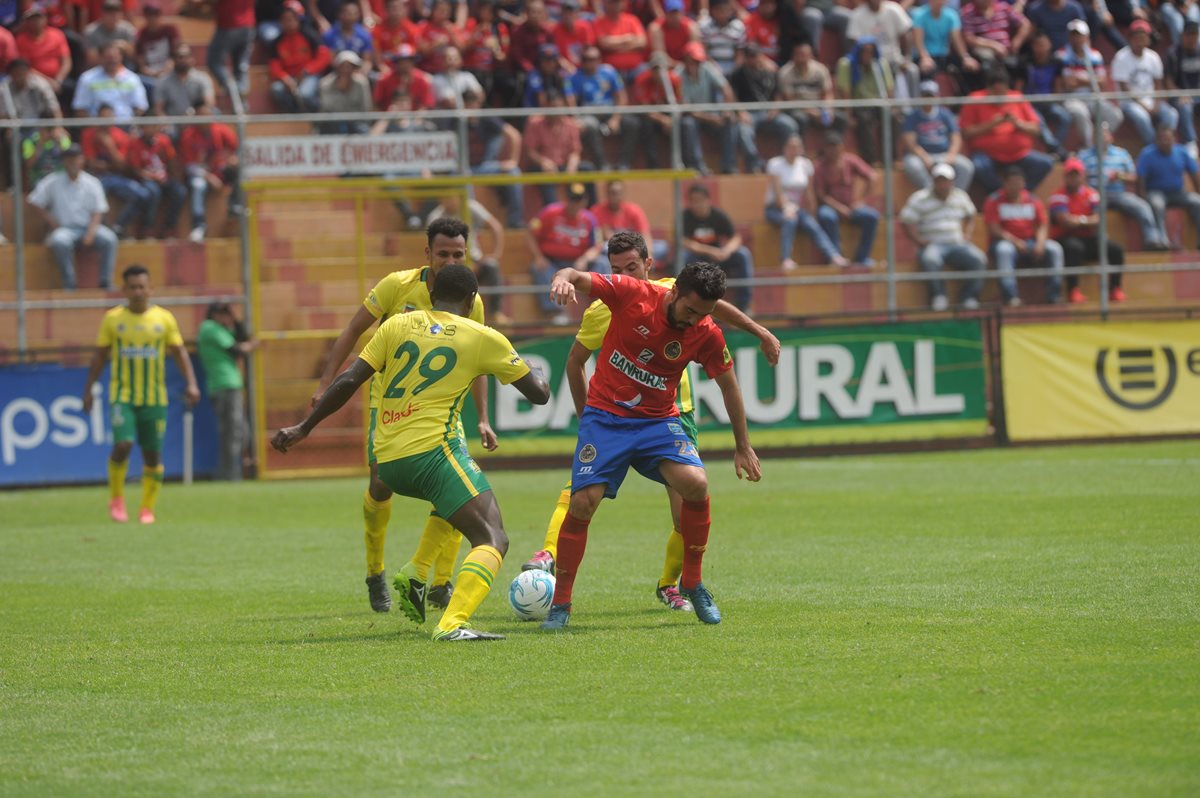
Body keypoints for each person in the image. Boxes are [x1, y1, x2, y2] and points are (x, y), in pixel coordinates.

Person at [277, 264, 551, 641]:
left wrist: (304, 427)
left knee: (456, 498)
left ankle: (418, 572)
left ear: (433, 292)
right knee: (493, 538)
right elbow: (538, 394)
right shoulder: (483, 336)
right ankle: (453, 622)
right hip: (432, 455)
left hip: (387, 461)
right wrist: (530, 369)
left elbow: (349, 380)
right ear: (472, 301)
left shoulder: (396, 325)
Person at [521, 232, 780, 614]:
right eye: (690, 311)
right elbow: (576, 284)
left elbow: (729, 384)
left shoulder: (703, 327)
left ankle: (688, 582)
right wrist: (562, 278)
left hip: (660, 419)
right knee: (582, 500)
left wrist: (743, 445)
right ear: (674, 294)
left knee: (695, 486)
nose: (694, 320)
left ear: (651, 266)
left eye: (702, 314)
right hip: (607, 417)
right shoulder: (626, 295)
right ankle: (560, 604)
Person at [310, 218, 499, 615]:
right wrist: (325, 382)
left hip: (444, 408)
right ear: (426, 252)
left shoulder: (470, 298)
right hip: (391, 405)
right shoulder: (396, 286)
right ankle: (375, 572)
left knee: (455, 487)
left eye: (458, 254)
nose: (450, 260)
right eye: (443, 253)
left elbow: (480, 359)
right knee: (380, 485)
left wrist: (482, 417)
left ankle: (440, 582)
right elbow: (352, 330)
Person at [82, 265, 200, 524]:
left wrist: (191, 383)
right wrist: (88, 388)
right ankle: (116, 498)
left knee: (152, 455)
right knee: (123, 444)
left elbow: (179, 353)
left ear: (150, 289)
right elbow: (99, 356)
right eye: (132, 287)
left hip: (154, 398)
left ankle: (147, 509)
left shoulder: (164, 319)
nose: (137, 292)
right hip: (122, 395)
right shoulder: (113, 319)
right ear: (124, 290)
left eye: (141, 286)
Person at [28, 144, 118, 290]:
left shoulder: (92, 183)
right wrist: (52, 223)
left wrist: (91, 232)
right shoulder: (53, 181)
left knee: (110, 239)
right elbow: (35, 201)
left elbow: (98, 211)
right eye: (69, 159)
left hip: (88, 227)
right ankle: (69, 285)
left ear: (82, 160)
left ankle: (105, 282)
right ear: (64, 161)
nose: (73, 162)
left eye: (76, 158)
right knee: (59, 241)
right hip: (65, 229)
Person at [899, 163, 988, 311]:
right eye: (938, 180)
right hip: (933, 244)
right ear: (933, 181)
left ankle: (968, 297)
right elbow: (906, 220)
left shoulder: (960, 196)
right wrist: (917, 240)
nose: (942, 184)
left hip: (957, 243)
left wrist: (967, 233)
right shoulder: (920, 198)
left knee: (979, 259)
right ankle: (939, 296)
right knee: (930, 259)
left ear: (952, 182)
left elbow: (971, 215)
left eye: (945, 180)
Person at [960, 68, 1054, 194]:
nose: (999, 96)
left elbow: (1036, 129)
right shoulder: (975, 99)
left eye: (1002, 91)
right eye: (995, 92)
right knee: (978, 167)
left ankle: (1021, 194)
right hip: (987, 155)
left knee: (1045, 163)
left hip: (1019, 154)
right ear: (988, 88)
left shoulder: (1017, 98)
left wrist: (1018, 124)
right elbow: (966, 133)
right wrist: (992, 124)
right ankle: (1000, 196)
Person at [983, 166, 1064, 305]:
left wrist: (1040, 243)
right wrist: (1015, 242)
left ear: (1023, 183)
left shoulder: (1033, 200)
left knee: (1054, 248)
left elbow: (1042, 225)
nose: (1015, 186)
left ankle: (1054, 295)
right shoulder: (994, 200)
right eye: (1012, 183)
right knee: (1004, 250)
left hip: (1030, 242)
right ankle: (1010, 296)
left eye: (1018, 183)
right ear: (1005, 183)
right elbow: (994, 229)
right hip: (1005, 242)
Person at [1049, 157, 1126, 304]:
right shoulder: (1058, 196)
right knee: (1075, 248)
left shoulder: (1091, 194)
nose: (1074, 178)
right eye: (1070, 175)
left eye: (1076, 174)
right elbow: (1064, 222)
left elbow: (1098, 219)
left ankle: (1115, 289)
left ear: (1083, 175)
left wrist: (1078, 220)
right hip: (1065, 237)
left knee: (1116, 249)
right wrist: (1086, 220)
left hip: (1087, 237)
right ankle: (1073, 290)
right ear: (1065, 177)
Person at [1078, 124, 1166, 251]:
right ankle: (1101, 242)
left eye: (1104, 135)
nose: (1102, 138)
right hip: (1096, 195)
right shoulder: (1084, 156)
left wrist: (1120, 176)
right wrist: (1089, 192)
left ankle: (1152, 240)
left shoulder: (1121, 154)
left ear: (1111, 137)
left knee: (1142, 207)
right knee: (1095, 209)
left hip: (1118, 194)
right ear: (1093, 138)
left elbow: (1134, 177)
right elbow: (1081, 180)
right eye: (1098, 135)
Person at [766, 134, 845, 270]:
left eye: (797, 147)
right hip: (775, 208)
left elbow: (809, 192)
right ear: (785, 148)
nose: (793, 150)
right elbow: (778, 193)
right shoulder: (775, 164)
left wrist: (812, 212)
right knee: (790, 220)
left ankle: (833, 256)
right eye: (791, 147)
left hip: (797, 209)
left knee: (812, 225)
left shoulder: (805, 164)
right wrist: (786, 208)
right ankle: (785, 259)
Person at [528, 182, 604, 323]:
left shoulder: (590, 219)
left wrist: (585, 259)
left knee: (602, 263)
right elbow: (531, 234)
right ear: (566, 199)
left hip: (579, 263)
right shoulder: (550, 212)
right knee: (538, 268)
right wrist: (538, 257)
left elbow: (597, 246)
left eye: (579, 200)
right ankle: (555, 313)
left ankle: (602, 308)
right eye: (573, 200)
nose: (575, 204)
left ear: (585, 201)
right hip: (552, 262)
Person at [426, 194, 509, 324]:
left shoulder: (471, 207)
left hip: (475, 259)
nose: (449, 200)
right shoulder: (435, 217)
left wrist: (495, 254)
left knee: (492, 266)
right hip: (448, 266)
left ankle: (495, 312)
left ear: (458, 197)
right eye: (445, 197)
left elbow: (495, 227)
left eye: (451, 196)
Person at [678, 40, 757, 176]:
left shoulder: (707, 68)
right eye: (692, 60)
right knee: (687, 124)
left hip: (710, 114)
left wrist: (726, 111)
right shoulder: (678, 74)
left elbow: (726, 90)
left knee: (730, 121)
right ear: (686, 59)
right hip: (692, 117)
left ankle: (729, 165)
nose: (695, 64)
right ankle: (697, 166)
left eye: (698, 61)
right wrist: (711, 119)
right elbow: (685, 109)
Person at [198, 302, 255, 481]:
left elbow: (241, 336)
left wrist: (236, 320)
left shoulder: (221, 330)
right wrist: (253, 345)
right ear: (214, 314)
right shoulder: (209, 327)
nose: (226, 318)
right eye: (223, 314)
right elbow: (237, 348)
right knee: (232, 434)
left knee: (240, 432)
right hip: (224, 386)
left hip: (230, 386)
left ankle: (229, 473)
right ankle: (230, 476)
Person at [682, 182, 756, 309]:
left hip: (718, 258)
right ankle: (687, 302)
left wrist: (726, 251)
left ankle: (744, 304)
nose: (697, 204)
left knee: (743, 254)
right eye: (693, 201)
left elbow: (735, 237)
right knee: (683, 257)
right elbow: (683, 242)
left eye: (700, 200)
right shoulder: (685, 217)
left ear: (708, 200)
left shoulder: (718, 215)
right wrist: (710, 251)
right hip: (697, 260)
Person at [814, 131, 879, 268]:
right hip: (831, 207)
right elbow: (821, 195)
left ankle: (862, 257)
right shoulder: (820, 166)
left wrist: (861, 200)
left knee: (872, 217)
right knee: (826, 216)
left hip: (851, 207)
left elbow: (872, 177)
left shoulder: (850, 160)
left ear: (841, 147)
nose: (833, 150)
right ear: (825, 149)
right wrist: (839, 208)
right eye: (829, 147)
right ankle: (836, 256)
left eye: (835, 146)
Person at [1055, 20, 1123, 150]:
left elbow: (1102, 82)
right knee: (1081, 113)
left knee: (1115, 115)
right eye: (1073, 35)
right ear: (1069, 37)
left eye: (1080, 35)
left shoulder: (1094, 55)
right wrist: (1091, 80)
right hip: (1071, 98)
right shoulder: (1061, 55)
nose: (1077, 39)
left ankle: (1099, 140)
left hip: (1092, 96)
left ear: (1086, 37)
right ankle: (1088, 147)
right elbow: (1068, 84)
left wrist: (1079, 80)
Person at [179, 102, 241, 243]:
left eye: (207, 115)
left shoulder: (220, 130)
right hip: (201, 174)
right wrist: (209, 177)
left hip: (220, 170)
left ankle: (234, 206)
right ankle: (199, 226)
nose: (204, 119)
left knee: (237, 169)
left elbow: (237, 149)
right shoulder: (188, 135)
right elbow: (189, 166)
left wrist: (234, 159)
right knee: (197, 185)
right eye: (201, 116)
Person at [570, 45, 636, 171]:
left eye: (592, 59)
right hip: (588, 113)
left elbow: (621, 97)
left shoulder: (609, 72)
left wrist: (616, 119)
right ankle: (602, 165)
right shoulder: (575, 77)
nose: (589, 63)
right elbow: (571, 102)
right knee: (590, 126)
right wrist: (575, 118)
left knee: (632, 123)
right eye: (585, 59)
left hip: (609, 110)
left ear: (599, 60)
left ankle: (624, 164)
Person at [901, 80, 975, 191]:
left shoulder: (945, 114)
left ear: (936, 96)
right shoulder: (912, 116)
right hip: (921, 156)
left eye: (930, 96)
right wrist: (924, 157)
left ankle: (954, 196)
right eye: (925, 96)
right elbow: (910, 143)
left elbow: (956, 137)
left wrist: (951, 155)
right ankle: (931, 194)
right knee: (913, 166)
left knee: (966, 167)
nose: (928, 99)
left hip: (943, 154)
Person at [522, 89, 592, 207]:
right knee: (546, 177)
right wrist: (543, 162)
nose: (557, 111)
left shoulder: (570, 124)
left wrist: (572, 166)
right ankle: (552, 211)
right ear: (546, 107)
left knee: (588, 169)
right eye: (553, 107)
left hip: (564, 166)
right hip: (542, 166)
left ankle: (589, 210)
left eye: (559, 107)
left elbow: (575, 151)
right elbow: (530, 151)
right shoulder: (535, 123)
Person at [1112, 20, 1175, 148]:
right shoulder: (1121, 57)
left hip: (1151, 100)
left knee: (1172, 114)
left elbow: (1158, 84)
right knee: (1142, 118)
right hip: (1129, 102)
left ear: (1148, 38)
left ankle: (1164, 143)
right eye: (1137, 36)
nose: (1140, 39)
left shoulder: (1153, 57)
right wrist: (1145, 106)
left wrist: (1156, 104)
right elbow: (1125, 89)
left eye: (1144, 36)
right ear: (1131, 38)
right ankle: (1152, 148)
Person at [1137, 125, 1200, 248]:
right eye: (1161, 138)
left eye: (1167, 138)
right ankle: (1162, 240)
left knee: (1197, 202)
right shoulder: (1147, 154)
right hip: (1156, 191)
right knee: (1157, 204)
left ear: (1173, 139)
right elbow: (1141, 178)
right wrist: (1142, 195)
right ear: (1157, 140)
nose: (1165, 141)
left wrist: (1198, 191)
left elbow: (1194, 173)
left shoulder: (1181, 152)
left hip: (1179, 192)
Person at [834, 37, 893, 164]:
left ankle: (889, 159)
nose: (868, 55)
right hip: (858, 104)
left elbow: (888, 89)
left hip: (877, 103)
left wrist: (890, 107)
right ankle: (870, 160)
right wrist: (848, 116)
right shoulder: (847, 64)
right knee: (864, 119)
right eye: (865, 51)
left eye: (871, 52)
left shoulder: (880, 64)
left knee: (892, 117)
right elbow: (846, 92)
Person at [126, 121, 187, 240]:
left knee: (180, 191)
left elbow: (172, 161)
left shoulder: (164, 141)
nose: (151, 129)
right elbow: (136, 169)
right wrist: (153, 177)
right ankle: (148, 229)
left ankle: (170, 228)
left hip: (163, 178)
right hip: (145, 179)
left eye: (154, 126)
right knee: (153, 192)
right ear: (142, 127)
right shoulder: (135, 143)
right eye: (148, 126)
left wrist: (175, 177)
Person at [845, 0, 919, 99]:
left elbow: (905, 35)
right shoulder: (857, 15)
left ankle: (912, 109)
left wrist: (906, 58)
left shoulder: (894, 9)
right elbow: (856, 44)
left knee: (912, 70)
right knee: (877, 70)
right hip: (871, 62)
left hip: (894, 59)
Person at [268, 0, 331, 113]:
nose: (289, 23)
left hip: (309, 75)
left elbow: (324, 57)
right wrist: (284, 78)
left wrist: (307, 71)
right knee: (276, 89)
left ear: (298, 20)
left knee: (305, 94)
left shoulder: (309, 35)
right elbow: (274, 65)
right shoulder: (277, 41)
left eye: (291, 19)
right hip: (289, 77)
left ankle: (319, 118)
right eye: (285, 20)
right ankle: (295, 115)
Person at [591, 180, 669, 265]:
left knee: (662, 247)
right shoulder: (597, 211)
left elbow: (645, 234)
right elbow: (600, 239)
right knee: (603, 251)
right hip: (612, 248)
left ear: (623, 194)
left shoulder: (634, 210)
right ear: (607, 194)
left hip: (634, 247)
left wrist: (648, 253)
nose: (614, 196)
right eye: (611, 193)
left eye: (617, 193)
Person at [776, 42, 841, 137]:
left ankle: (833, 148)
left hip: (818, 107)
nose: (802, 59)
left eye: (805, 55)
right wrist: (813, 113)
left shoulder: (821, 70)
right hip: (797, 109)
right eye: (799, 55)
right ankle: (800, 150)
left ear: (811, 56)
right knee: (800, 119)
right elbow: (791, 100)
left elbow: (827, 93)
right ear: (794, 56)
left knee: (840, 119)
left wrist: (827, 110)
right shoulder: (785, 73)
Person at [73, 41, 149, 119]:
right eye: (108, 57)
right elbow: (80, 108)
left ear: (121, 57)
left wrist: (131, 124)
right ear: (101, 57)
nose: (112, 61)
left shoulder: (132, 78)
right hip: (97, 126)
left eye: (115, 57)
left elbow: (141, 106)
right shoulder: (87, 78)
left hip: (125, 125)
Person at [960, 0, 1031, 81]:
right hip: (983, 50)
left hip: (1007, 50)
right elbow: (969, 38)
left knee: (1020, 65)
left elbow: (1025, 24)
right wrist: (993, 46)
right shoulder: (968, 12)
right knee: (987, 58)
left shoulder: (1003, 7)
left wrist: (1017, 41)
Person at [154, 44, 216, 120]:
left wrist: (195, 116)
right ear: (173, 59)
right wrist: (166, 124)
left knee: (215, 113)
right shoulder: (163, 81)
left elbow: (209, 104)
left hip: (197, 122)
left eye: (186, 57)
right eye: (180, 57)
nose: (183, 60)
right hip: (174, 124)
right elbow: (159, 109)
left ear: (192, 59)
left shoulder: (202, 78)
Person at [1166, 21, 1200, 155]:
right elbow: (1168, 81)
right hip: (1179, 95)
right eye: (1189, 35)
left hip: (1198, 95)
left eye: (1195, 35)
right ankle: (1190, 143)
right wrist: (1179, 94)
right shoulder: (1173, 53)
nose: (1192, 38)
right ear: (1183, 35)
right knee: (1185, 107)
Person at [209, 0, 256, 98]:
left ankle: (233, 91)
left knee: (214, 62)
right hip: (248, 26)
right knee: (240, 66)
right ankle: (241, 96)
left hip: (229, 25)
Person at [134, 1, 180, 101]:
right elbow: (141, 63)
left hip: (169, 72)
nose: (152, 18)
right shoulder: (141, 34)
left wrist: (166, 69)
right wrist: (150, 72)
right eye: (149, 15)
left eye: (155, 14)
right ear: (145, 16)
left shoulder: (170, 30)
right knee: (140, 81)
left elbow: (176, 54)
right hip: (149, 75)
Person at [318, 50, 372, 133]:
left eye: (349, 66)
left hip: (356, 121)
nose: (346, 69)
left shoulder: (361, 83)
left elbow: (365, 107)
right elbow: (327, 107)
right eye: (343, 66)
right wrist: (340, 90)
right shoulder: (326, 83)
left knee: (364, 130)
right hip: (332, 122)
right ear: (337, 67)